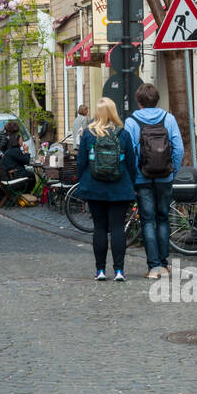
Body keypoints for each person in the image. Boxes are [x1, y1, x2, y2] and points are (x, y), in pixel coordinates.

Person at [122, 82, 185, 280]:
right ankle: (165, 265)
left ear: (139, 102)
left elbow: (129, 152)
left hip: (142, 178)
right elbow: (179, 149)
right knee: (163, 219)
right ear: (157, 100)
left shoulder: (131, 122)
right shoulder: (169, 118)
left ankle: (154, 267)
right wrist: (171, 171)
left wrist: (132, 177)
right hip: (165, 177)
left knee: (147, 221)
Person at [76, 98, 137, 281]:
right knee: (118, 228)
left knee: (99, 228)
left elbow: (81, 162)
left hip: (94, 187)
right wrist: (131, 183)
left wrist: (82, 180)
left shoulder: (88, 134)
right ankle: (119, 271)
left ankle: (100, 270)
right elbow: (131, 163)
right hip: (119, 188)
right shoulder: (123, 134)